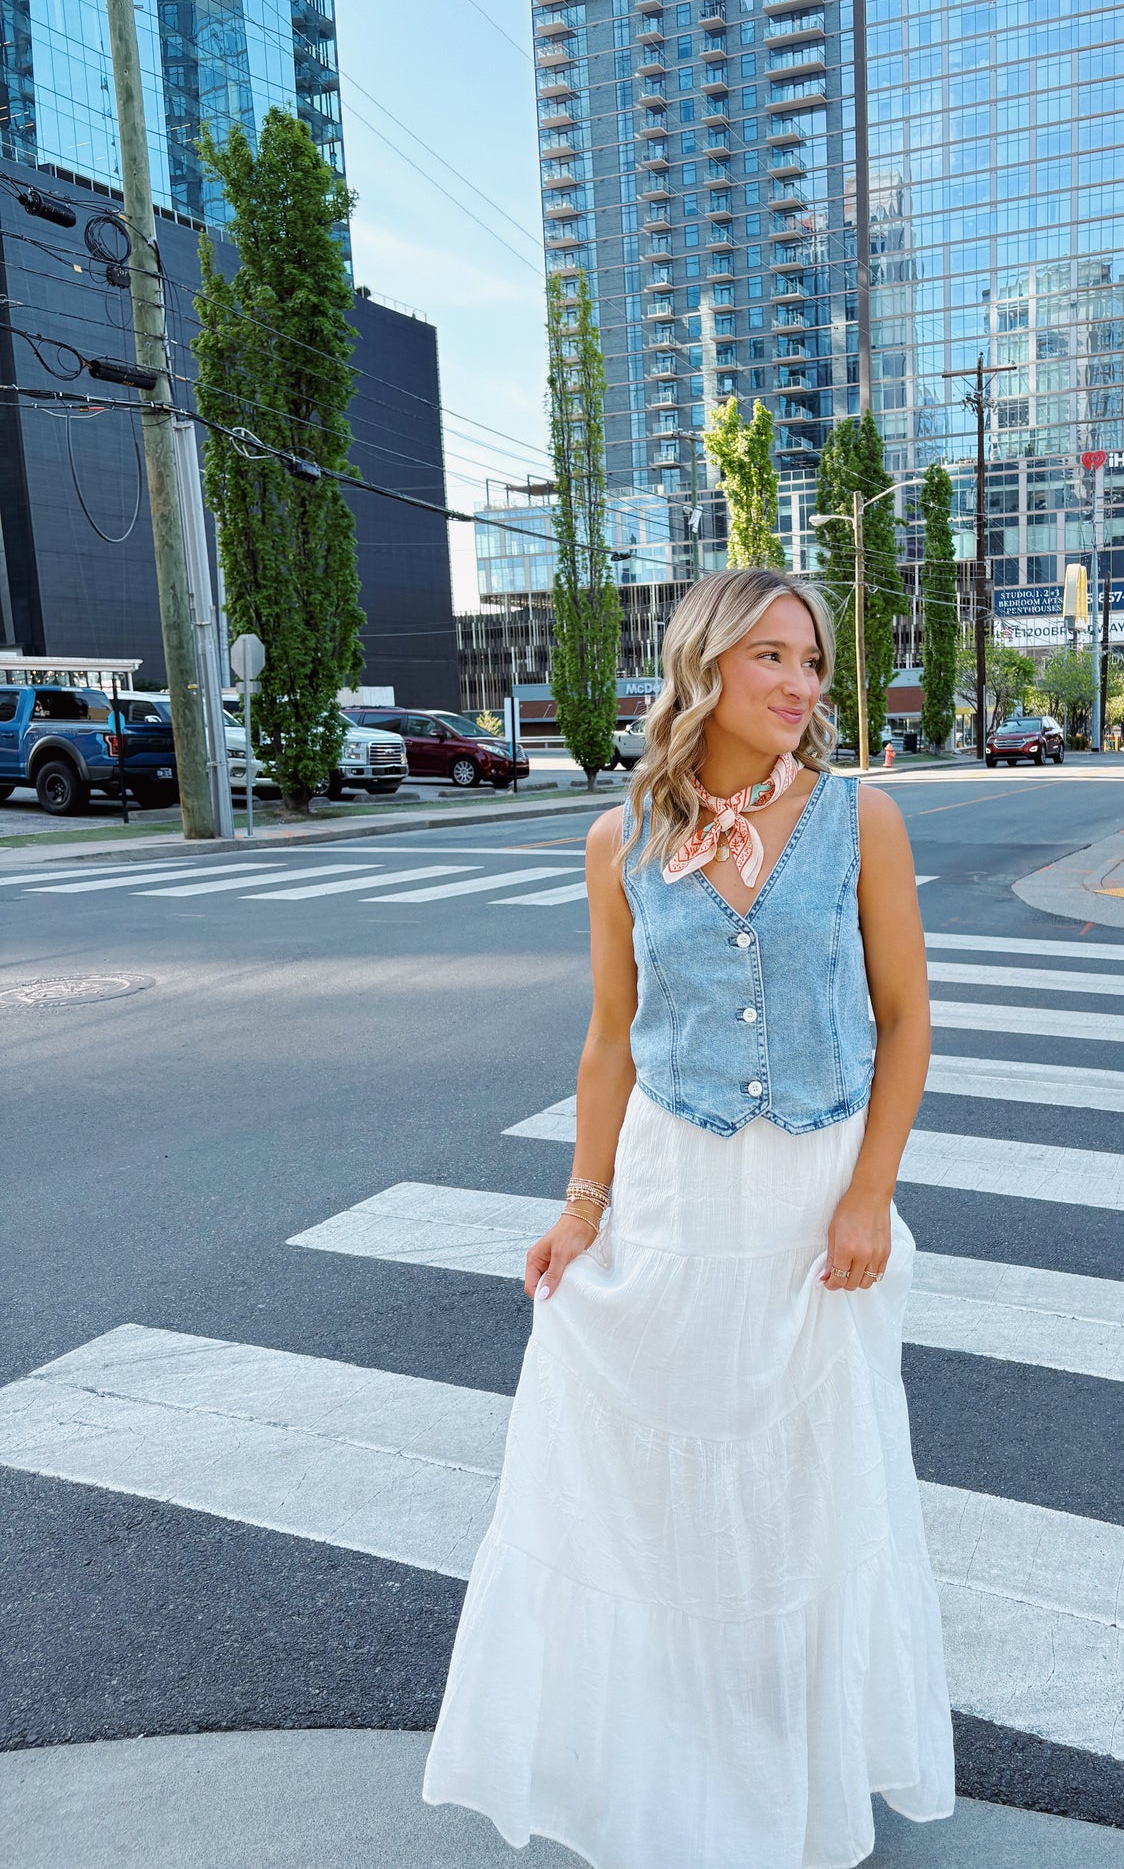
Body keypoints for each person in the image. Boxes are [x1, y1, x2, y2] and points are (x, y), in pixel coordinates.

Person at [423, 569, 955, 1867]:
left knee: (802, 1483)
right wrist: (580, 1204)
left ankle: (785, 1753)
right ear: (703, 668)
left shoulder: (859, 821)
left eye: (813, 663)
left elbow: (906, 1021)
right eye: (770, 656)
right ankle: (669, 1745)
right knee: (649, 1475)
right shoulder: (617, 840)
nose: (798, 685)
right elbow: (609, 1037)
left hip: (811, 1191)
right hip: (669, 1187)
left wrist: (871, 1194)